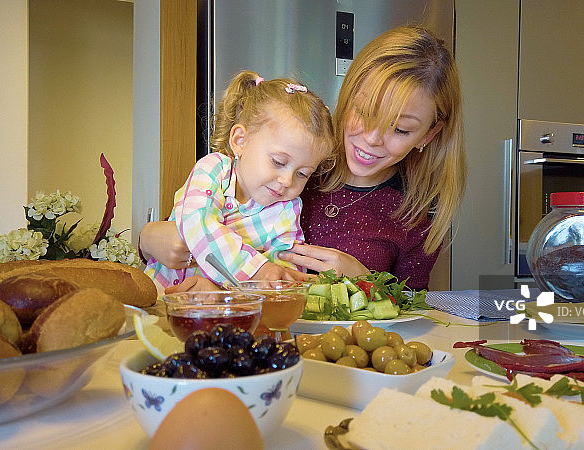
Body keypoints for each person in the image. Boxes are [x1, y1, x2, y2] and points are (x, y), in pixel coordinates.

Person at [139, 25, 466, 292]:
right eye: (364, 113)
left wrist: (368, 283)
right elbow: (198, 228)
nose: (372, 138)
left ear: (428, 135)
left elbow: (414, 309)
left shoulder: (419, 216)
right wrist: (148, 238)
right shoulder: (293, 159)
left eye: (400, 129)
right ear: (348, 95)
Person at [143, 70, 336, 290]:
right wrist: (258, 269)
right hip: (161, 298)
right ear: (240, 141)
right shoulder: (213, 170)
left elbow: (283, 264)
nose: (287, 181)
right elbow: (199, 225)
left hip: (230, 311)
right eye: (278, 162)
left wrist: (280, 280)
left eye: (302, 173)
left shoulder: (287, 207)